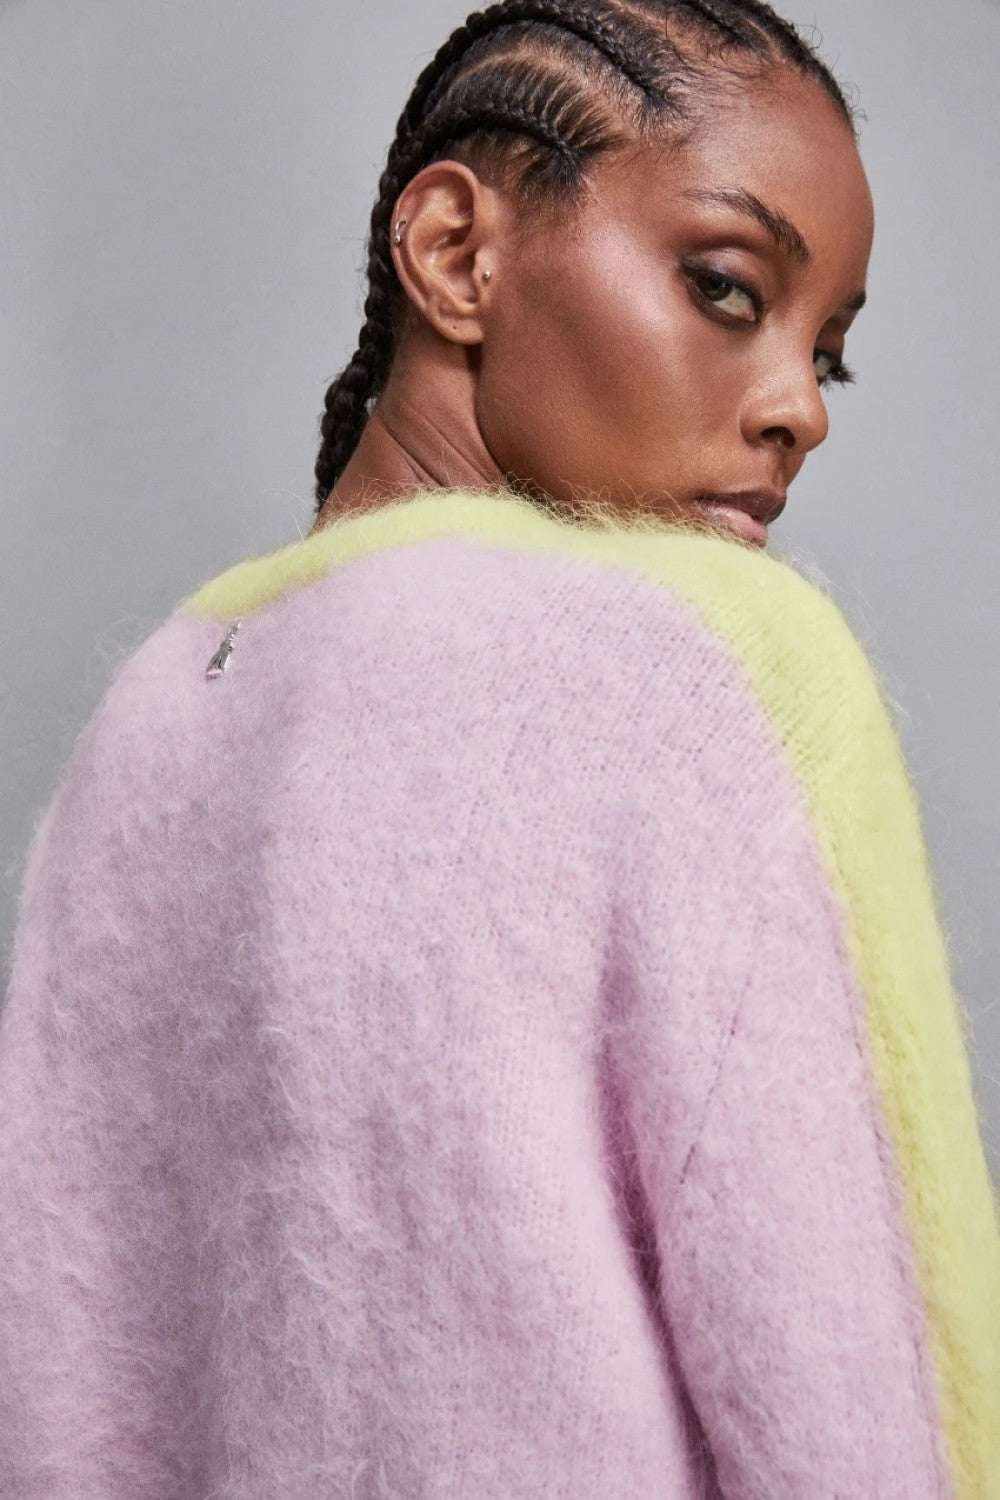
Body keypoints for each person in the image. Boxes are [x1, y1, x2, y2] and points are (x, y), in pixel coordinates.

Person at [1, 2, 997, 1496]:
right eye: (728, 289)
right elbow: (870, 1391)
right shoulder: (709, 665)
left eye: (828, 358)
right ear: (457, 253)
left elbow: (53, 1398)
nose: (799, 410)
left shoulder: (150, 719)